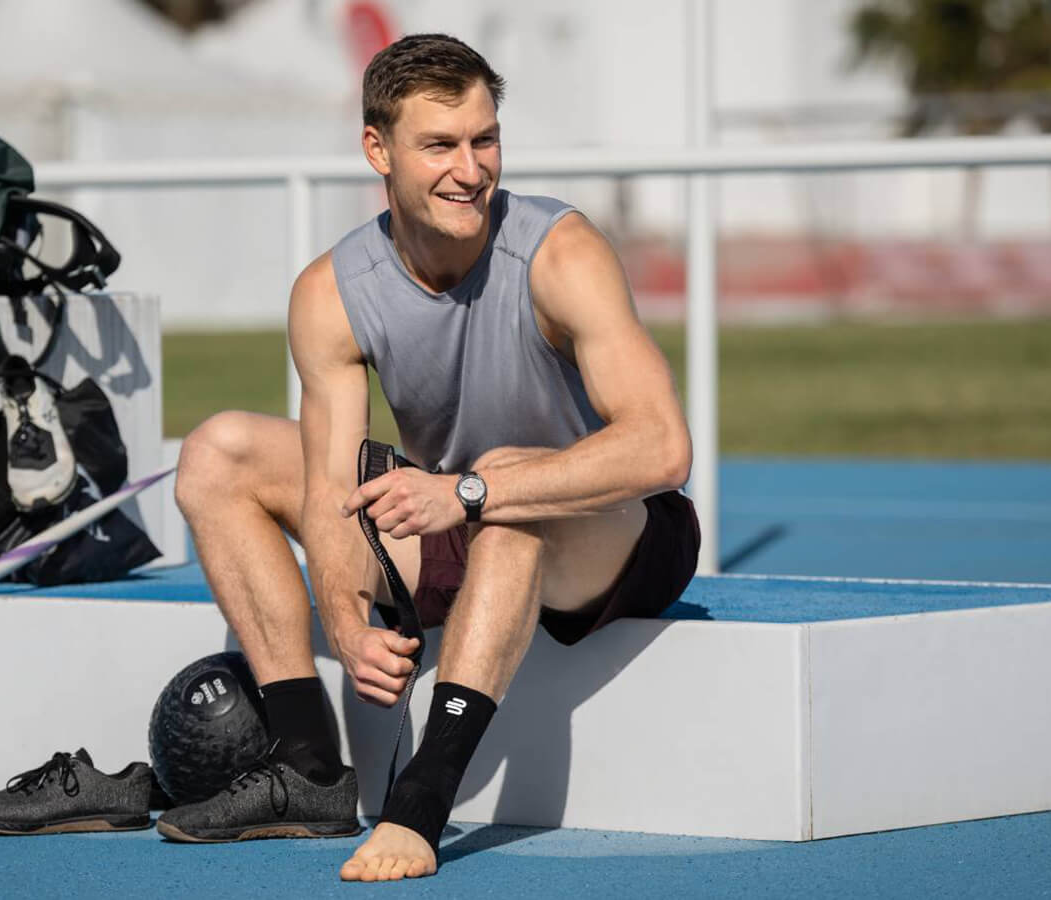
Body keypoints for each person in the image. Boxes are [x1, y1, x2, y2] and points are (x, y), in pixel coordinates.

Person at [163, 33, 699, 881]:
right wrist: (342, 615)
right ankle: (306, 768)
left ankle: (420, 805)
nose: (470, 169)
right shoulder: (332, 290)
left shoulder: (558, 253)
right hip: (453, 515)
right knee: (219, 452)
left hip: (613, 534)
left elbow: (663, 447)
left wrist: (475, 489)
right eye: (440, 146)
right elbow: (334, 484)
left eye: (484, 140)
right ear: (377, 149)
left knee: (513, 482)